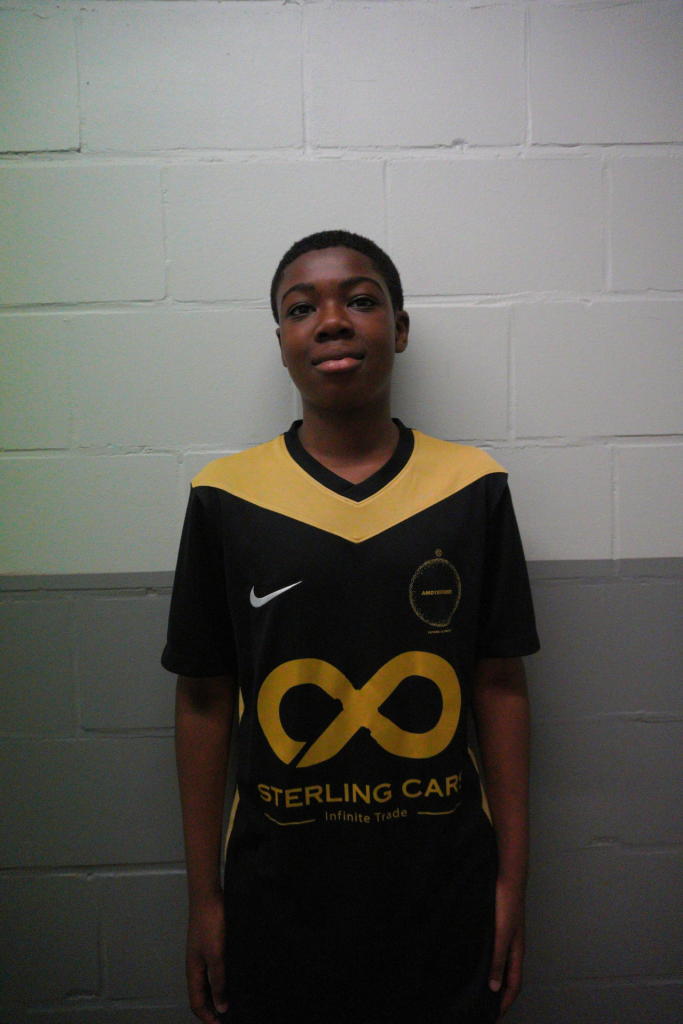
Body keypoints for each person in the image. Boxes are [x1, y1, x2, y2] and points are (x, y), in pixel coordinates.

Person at [162, 229, 540, 1024]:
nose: (332, 320)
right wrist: (204, 899)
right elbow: (201, 701)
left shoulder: (471, 486)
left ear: (398, 329)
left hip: (444, 893)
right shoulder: (225, 496)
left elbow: (501, 685)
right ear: (281, 341)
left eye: (360, 300)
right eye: (302, 308)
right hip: (277, 897)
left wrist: (511, 881)